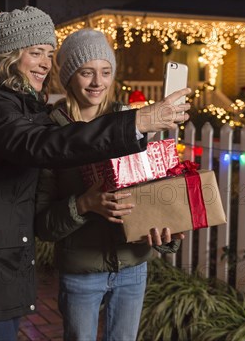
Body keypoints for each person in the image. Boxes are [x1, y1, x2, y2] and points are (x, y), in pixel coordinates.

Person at [0, 7, 191, 341]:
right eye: (35, 52)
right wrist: (139, 122)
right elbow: (40, 146)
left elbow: (151, 197)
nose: (45, 62)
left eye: (49, 53)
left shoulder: (19, 108)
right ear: (9, 55)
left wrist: (165, 229)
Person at [35, 28, 185, 341]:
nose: (97, 82)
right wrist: (84, 204)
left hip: (133, 267)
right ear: (69, 76)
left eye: (105, 72)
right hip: (81, 273)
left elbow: (154, 195)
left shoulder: (132, 123)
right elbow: (43, 225)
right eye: (86, 72)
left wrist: (168, 233)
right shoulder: (51, 133)